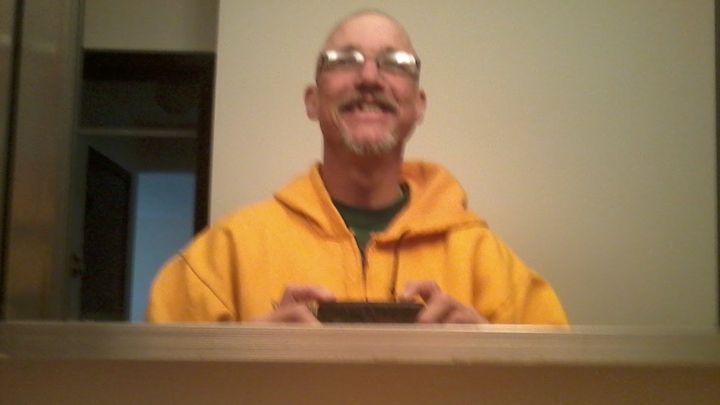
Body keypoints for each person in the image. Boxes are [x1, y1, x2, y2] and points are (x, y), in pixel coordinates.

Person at [147, 10, 568, 325]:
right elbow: (151, 386)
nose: (369, 77)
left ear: (418, 105)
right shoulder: (225, 256)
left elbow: (564, 387)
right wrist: (244, 363)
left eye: (395, 63)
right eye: (343, 60)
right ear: (313, 101)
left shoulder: (486, 263)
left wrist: (493, 358)